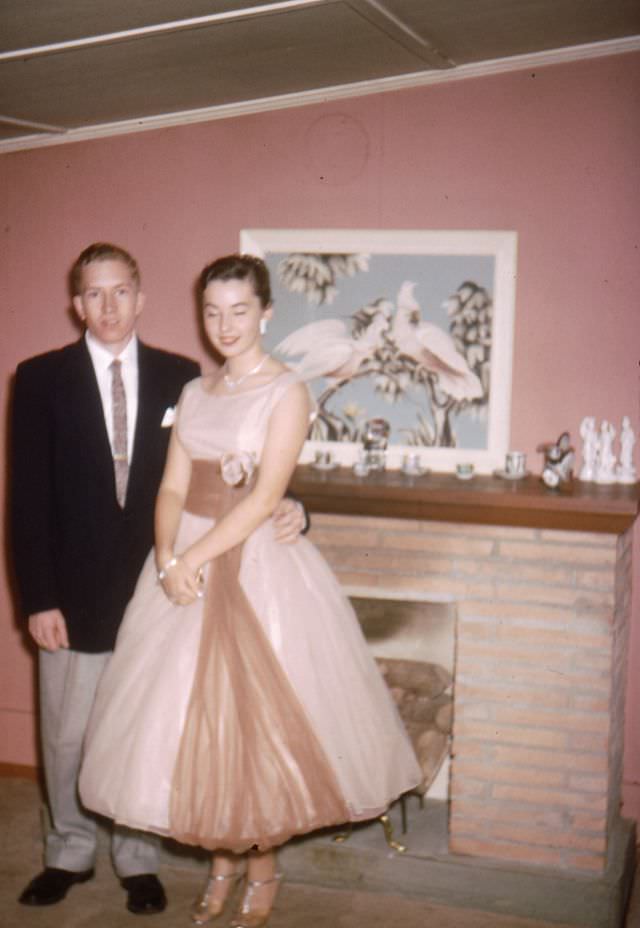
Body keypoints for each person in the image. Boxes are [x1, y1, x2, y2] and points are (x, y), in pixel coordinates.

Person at [79, 254, 421, 928]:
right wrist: (169, 556)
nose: (224, 324)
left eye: (239, 310)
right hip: (187, 565)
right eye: (212, 311)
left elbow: (266, 497)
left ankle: (261, 873)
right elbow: (172, 486)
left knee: (253, 727)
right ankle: (223, 865)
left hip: (256, 567)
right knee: (191, 727)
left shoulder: (288, 391)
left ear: (265, 312)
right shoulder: (196, 391)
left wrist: (193, 560)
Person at [10, 243, 305, 916]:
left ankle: (137, 860)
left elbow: (240, 465)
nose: (109, 307)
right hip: (73, 592)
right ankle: (68, 852)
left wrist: (295, 504)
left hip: (162, 585)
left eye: (121, 292)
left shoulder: (184, 376)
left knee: (146, 728)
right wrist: (39, 599)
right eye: (94, 294)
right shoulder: (39, 377)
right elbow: (24, 498)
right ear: (76, 303)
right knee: (66, 733)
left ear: (141, 298)